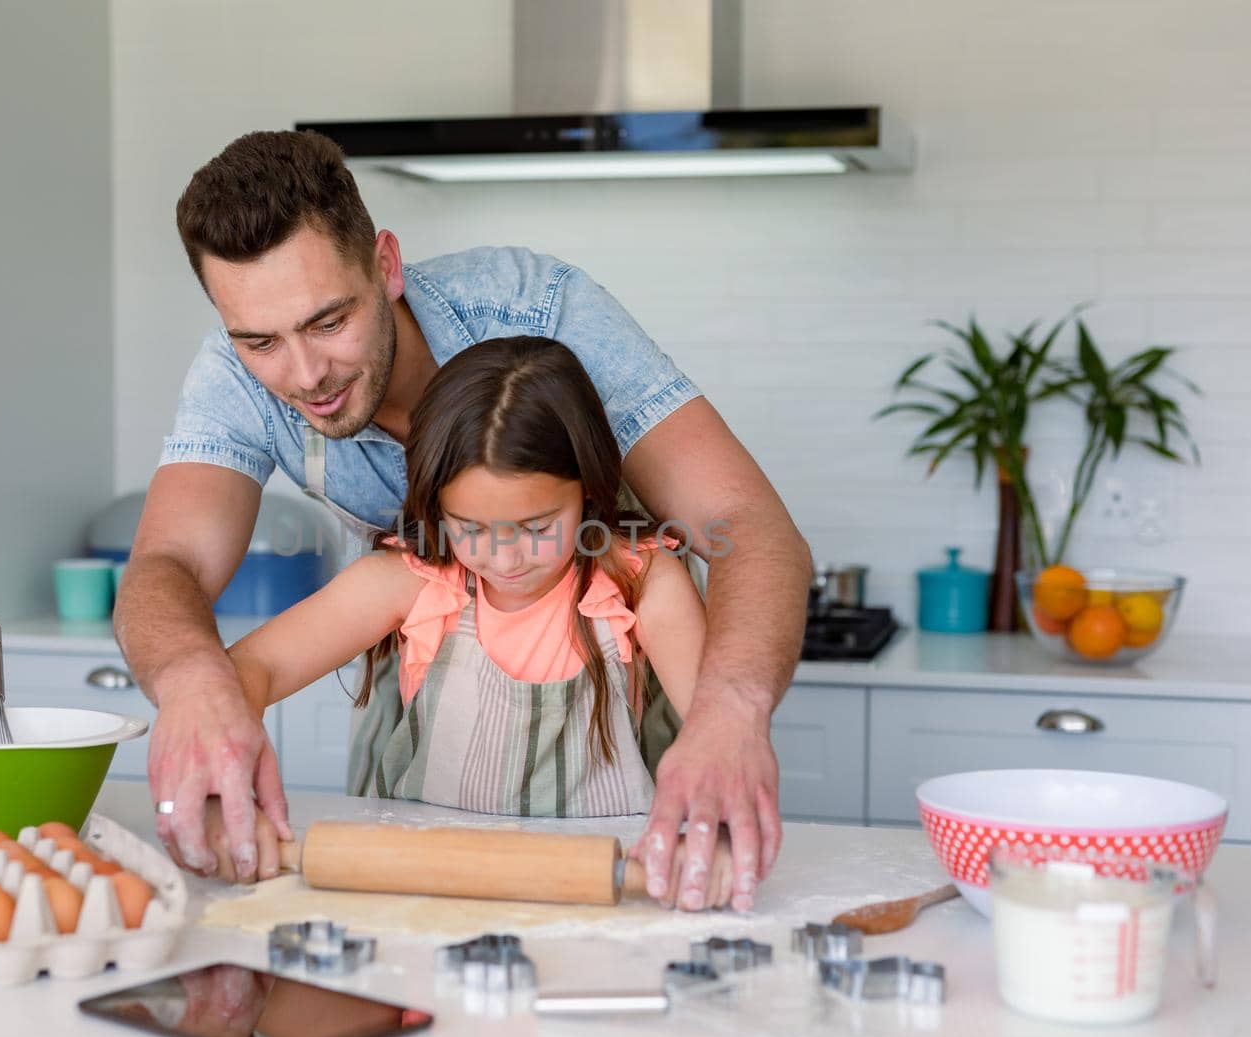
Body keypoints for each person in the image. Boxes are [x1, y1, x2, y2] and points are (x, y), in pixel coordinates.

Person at [115, 130, 811, 913]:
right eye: (259, 340)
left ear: (385, 266)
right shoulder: (249, 399)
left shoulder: (542, 314)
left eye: (329, 322)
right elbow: (166, 563)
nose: (305, 373)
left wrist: (727, 718)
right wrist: (197, 688)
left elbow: (749, 526)